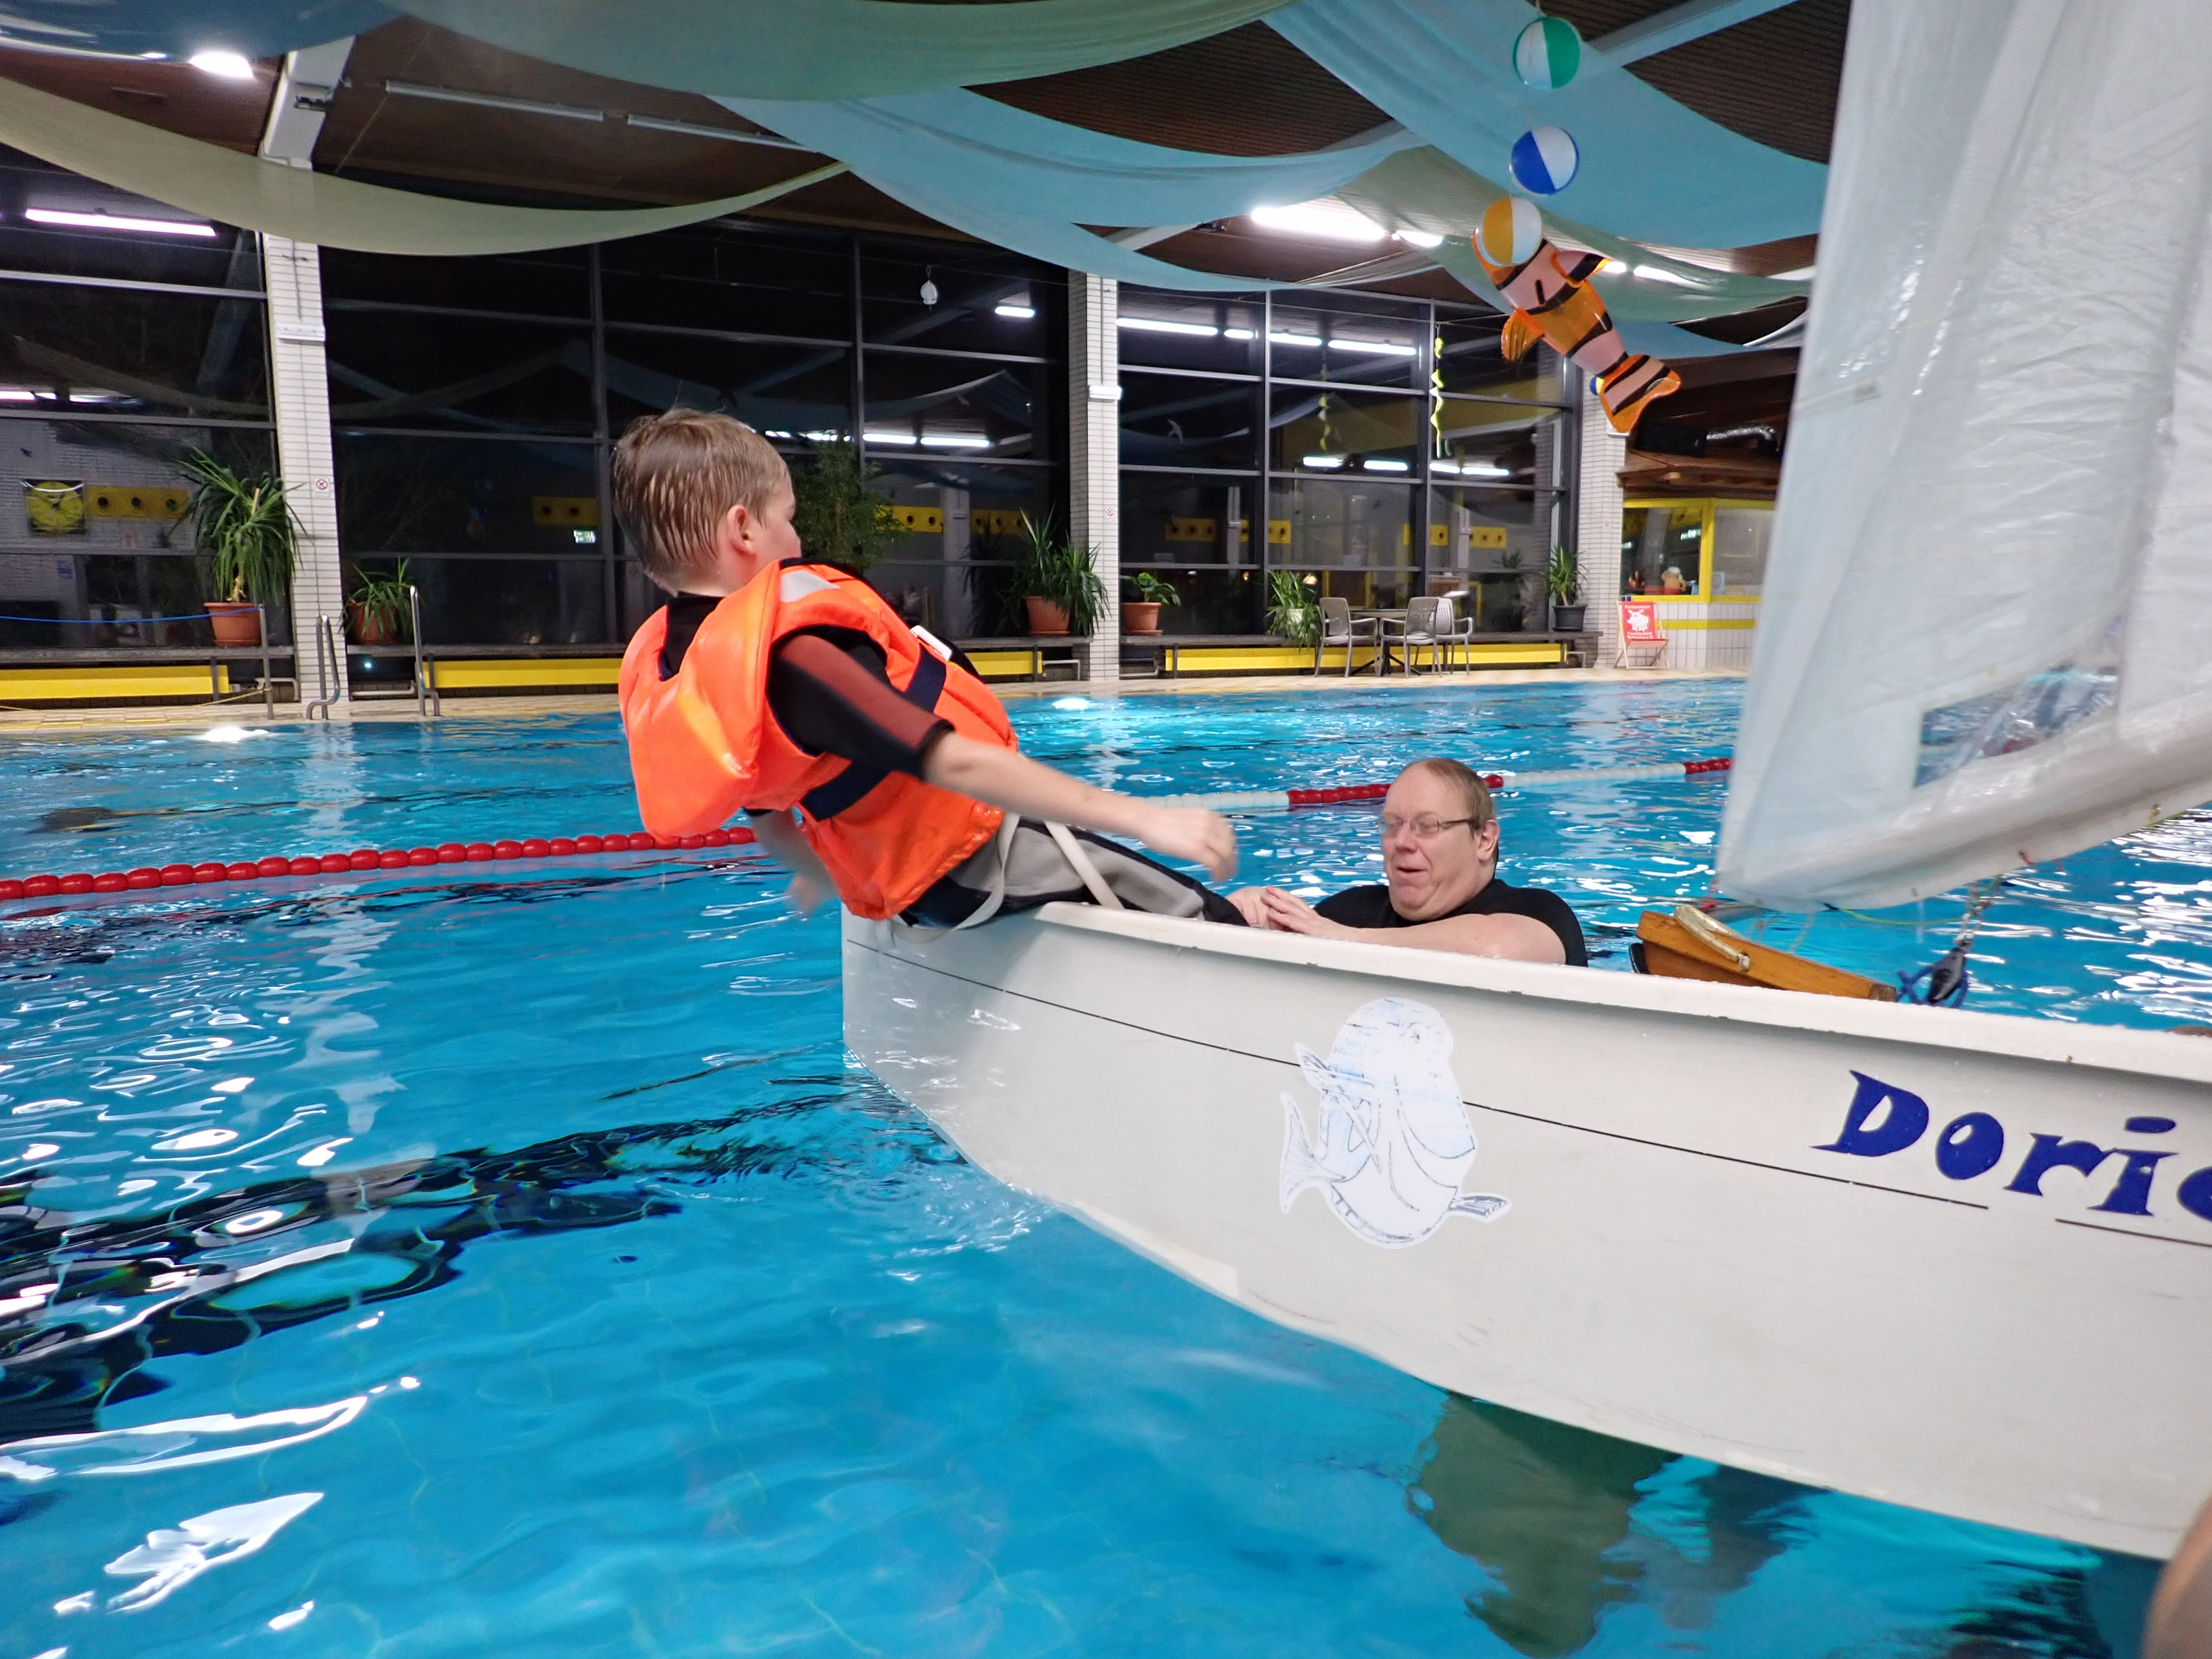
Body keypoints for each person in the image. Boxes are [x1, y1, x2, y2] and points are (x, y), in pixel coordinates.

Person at [613, 411, 1240, 929]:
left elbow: (768, 818)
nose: (798, 538)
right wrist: (1147, 817)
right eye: (789, 516)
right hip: (975, 860)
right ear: (744, 529)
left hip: (920, 886)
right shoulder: (794, 658)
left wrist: (814, 871)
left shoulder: (689, 666)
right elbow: (955, 762)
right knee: (1209, 916)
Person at [1229, 759, 1585, 964]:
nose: (1401, 842)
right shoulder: (1357, 908)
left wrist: (1344, 938)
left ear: (1484, 839)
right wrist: (1247, 911)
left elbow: (1499, 952)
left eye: (1428, 826)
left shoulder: (1537, 911)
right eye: (1392, 825)